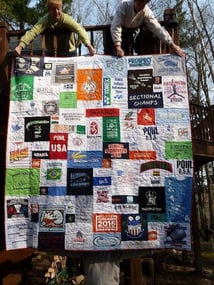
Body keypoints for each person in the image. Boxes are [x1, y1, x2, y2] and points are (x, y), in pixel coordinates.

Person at [14, 0, 95, 57]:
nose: (56, 12)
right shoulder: (45, 20)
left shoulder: (66, 19)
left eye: (58, 9)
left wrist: (88, 45)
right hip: (51, 53)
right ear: (49, 10)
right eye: (53, 9)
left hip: (70, 52)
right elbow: (33, 32)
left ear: (61, 9)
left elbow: (80, 30)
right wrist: (20, 46)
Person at [110, 0, 185, 57]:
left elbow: (157, 28)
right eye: (139, 3)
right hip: (115, 33)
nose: (141, 6)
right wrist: (118, 46)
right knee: (115, 55)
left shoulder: (146, 11)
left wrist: (172, 44)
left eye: (144, 3)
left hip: (133, 33)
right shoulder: (124, 5)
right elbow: (116, 25)